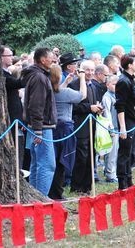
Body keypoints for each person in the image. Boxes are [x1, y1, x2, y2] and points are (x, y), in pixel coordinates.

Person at [22, 47, 57, 195]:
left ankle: (35, 199)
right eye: (51, 57)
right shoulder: (39, 78)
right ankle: (41, 201)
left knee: (37, 164)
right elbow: (36, 105)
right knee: (47, 164)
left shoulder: (36, 75)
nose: (54, 60)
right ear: (43, 60)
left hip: (37, 126)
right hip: (42, 127)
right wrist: (38, 130)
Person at [48, 65, 86, 200]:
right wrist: (82, 78)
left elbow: (59, 90)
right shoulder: (66, 93)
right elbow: (82, 95)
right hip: (64, 128)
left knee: (53, 160)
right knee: (62, 160)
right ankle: (57, 192)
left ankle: (53, 191)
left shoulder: (49, 90)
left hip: (52, 127)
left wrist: (66, 82)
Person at [69, 60, 103, 194]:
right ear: (81, 71)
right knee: (81, 157)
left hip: (92, 125)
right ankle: (77, 186)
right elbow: (74, 107)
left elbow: (95, 104)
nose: (90, 73)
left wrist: (99, 109)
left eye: (92, 70)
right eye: (87, 70)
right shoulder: (73, 85)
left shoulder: (94, 86)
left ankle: (88, 185)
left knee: (91, 155)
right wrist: (90, 108)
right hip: (80, 126)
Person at [115, 54, 135, 189]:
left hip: (134, 119)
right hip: (126, 120)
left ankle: (128, 178)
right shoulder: (123, 81)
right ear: (130, 65)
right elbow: (120, 105)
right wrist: (122, 127)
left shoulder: (132, 80)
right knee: (125, 151)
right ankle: (122, 181)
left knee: (131, 151)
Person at [101, 75, 119, 183]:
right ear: (108, 85)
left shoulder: (117, 95)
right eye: (113, 84)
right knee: (111, 153)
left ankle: (112, 171)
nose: (116, 86)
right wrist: (110, 128)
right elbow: (107, 113)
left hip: (118, 127)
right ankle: (110, 174)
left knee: (115, 151)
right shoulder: (107, 97)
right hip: (112, 128)